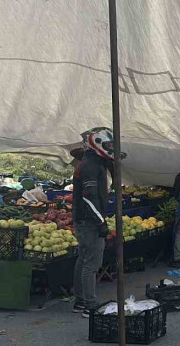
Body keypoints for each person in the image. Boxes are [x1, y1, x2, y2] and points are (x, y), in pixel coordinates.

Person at [73, 127, 125, 318]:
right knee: (91, 264)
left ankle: (80, 301)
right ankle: (90, 305)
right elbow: (89, 198)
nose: (111, 149)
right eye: (109, 145)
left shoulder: (93, 163)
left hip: (84, 220)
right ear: (96, 144)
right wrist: (100, 222)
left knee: (83, 260)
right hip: (89, 221)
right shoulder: (90, 166)